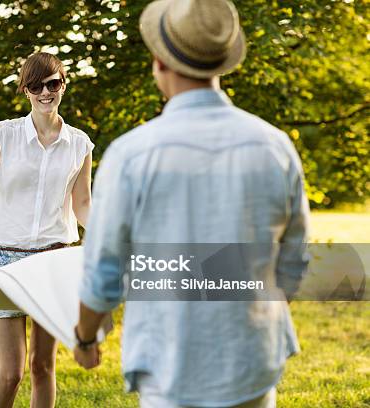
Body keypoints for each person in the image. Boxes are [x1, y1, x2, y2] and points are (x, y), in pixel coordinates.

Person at [72, 1, 310, 407]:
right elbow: (294, 259)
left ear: (159, 62)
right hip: (252, 363)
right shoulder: (275, 146)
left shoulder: (131, 155)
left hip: (171, 366)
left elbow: (104, 270)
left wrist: (85, 337)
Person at [0, 52, 94, 408]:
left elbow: (83, 203)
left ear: (63, 86)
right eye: (36, 86)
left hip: (53, 262)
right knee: (11, 373)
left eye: (53, 84)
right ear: (25, 90)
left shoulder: (79, 143)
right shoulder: (4, 134)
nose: (46, 93)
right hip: (7, 263)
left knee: (43, 366)